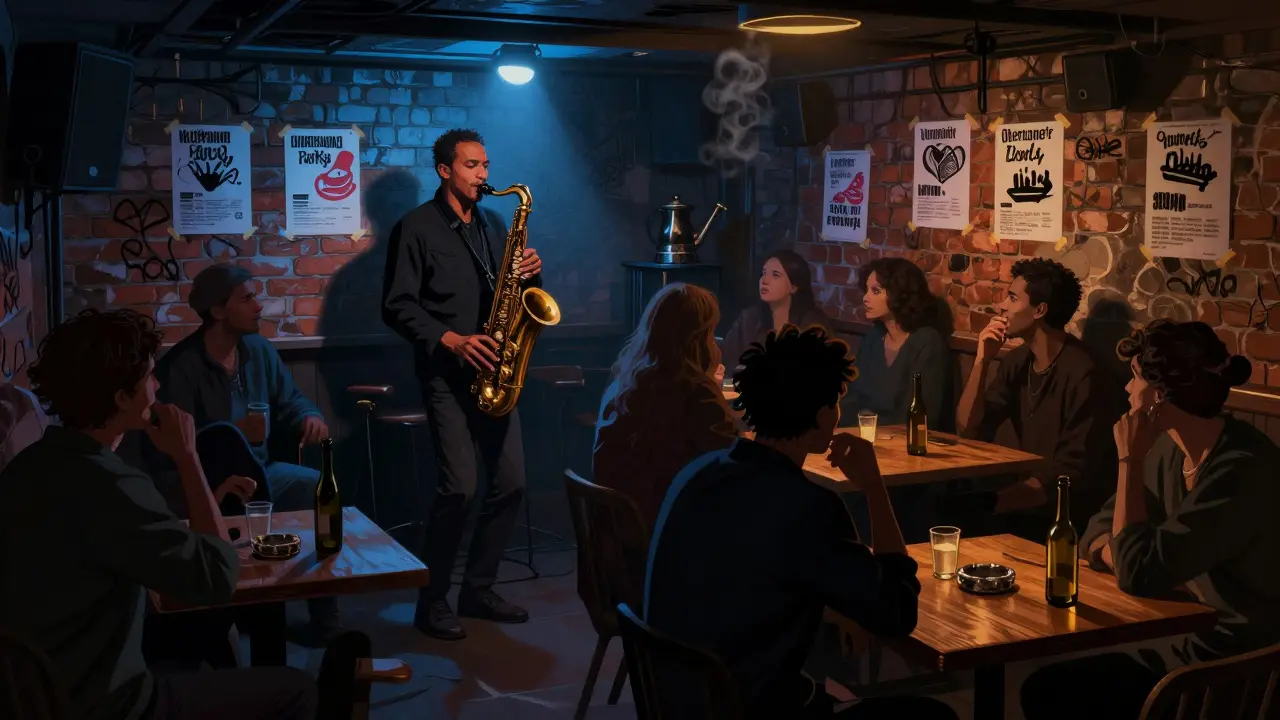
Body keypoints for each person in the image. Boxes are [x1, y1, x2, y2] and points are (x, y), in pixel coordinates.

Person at [0, 309, 317, 720]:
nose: (158, 385)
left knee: (202, 630)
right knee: (296, 691)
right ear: (121, 397)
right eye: (149, 377)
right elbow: (218, 577)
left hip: (37, 692)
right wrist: (189, 458)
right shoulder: (112, 485)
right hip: (110, 702)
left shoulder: (26, 467)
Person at [644, 325, 957, 720]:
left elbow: (751, 574)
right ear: (824, 415)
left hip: (679, 702)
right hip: (749, 708)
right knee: (931, 716)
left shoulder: (698, 473)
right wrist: (874, 487)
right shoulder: (807, 506)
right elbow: (896, 612)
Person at [1020, 320, 1280, 720]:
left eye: (1135, 379)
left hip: (1236, 668)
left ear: (1160, 395)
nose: (1127, 389)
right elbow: (1096, 529)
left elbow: (1138, 573)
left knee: (1055, 692)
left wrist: (1129, 460)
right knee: (1047, 685)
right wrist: (1122, 554)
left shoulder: (1240, 469)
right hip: (1179, 642)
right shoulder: (1170, 450)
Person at [382, 128, 543, 640]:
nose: (483, 175)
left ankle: (478, 590)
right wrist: (451, 339)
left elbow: (511, 298)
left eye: (486, 165)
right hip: (447, 376)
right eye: (472, 165)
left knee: (513, 482)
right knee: (459, 489)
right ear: (445, 170)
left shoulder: (495, 225)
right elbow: (397, 305)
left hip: (496, 374)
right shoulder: (415, 228)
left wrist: (530, 277)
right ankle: (432, 602)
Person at [146, 262, 338, 636]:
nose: (258, 306)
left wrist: (310, 415)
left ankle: (324, 613)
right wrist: (235, 429)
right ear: (218, 311)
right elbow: (173, 445)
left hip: (264, 473)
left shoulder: (258, 351)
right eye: (247, 298)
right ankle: (241, 610)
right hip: (208, 485)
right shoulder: (182, 368)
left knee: (313, 487)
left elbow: (291, 399)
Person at [950, 258, 1121, 539]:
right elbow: (969, 430)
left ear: (1040, 310)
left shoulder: (1085, 373)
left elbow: (1072, 474)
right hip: (1025, 507)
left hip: (1069, 521)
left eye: (1013, 297)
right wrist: (982, 360)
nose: (1002, 306)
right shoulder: (1018, 362)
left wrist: (994, 502)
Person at [593, 282, 738, 533]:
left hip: (619, 530)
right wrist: (710, 387)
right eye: (711, 331)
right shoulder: (692, 390)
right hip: (664, 532)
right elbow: (734, 459)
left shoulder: (627, 380)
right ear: (698, 337)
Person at [845, 257, 954, 431]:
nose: (865, 298)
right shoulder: (874, 338)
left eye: (876, 291)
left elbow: (923, 416)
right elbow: (851, 398)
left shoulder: (926, 342)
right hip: (861, 437)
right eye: (866, 290)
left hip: (905, 445)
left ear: (899, 294)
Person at [720, 249, 833, 376]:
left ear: (794, 286)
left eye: (775, 275)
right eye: (763, 273)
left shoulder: (812, 323)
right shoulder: (749, 318)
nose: (765, 280)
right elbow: (727, 360)